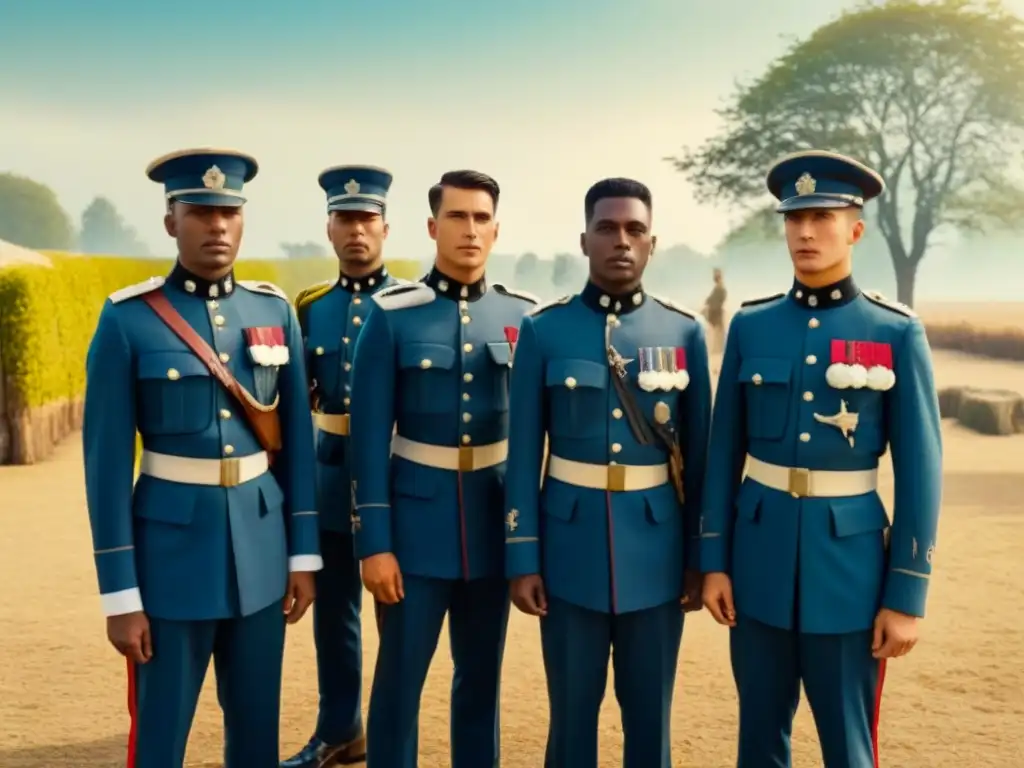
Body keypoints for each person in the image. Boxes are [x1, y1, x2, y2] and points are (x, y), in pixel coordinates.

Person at [699, 150, 942, 768]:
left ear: (855, 229)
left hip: (850, 574)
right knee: (758, 740)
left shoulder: (894, 332)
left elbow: (919, 472)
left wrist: (907, 594)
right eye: (794, 219)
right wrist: (714, 561)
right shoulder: (753, 327)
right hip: (757, 565)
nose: (805, 232)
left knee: (848, 747)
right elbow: (723, 451)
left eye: (822, 218)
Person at [82, 148, 321, 768]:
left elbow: (295, 446)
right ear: (171, 222)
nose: (217, 226)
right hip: (168, 566)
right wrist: (120, 597)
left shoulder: (272, 312)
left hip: (263, 558)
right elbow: (106, 469)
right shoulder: (127, 321)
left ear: (242, 220)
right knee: (161, 736)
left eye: (229, 212)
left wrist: (303, 556)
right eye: (200, 211)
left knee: (256, 734)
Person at [504, 177, 712, 768]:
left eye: (634, 229)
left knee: (650, 718)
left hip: (658, 553)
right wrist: (523, 557)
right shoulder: (545, 331)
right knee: (571, 718)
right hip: (569, 552)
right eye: (607, 228)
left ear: (652, 243)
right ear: (584, 240)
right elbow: (523, 454)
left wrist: (700, 557)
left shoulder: (683, 333)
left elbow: (698, 460)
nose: (621, 240)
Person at [348, 170, 537, 768]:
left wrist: (525, 539)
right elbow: (367, 438)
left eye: (482, 218)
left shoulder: (522, 316)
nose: (470, 230)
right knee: (399, 683)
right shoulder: (392, 315)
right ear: (433, 227)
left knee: (481, 681)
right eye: (457, 217)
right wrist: (373, 543)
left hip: (489, 526)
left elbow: (534, 439)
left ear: (497, 228)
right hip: (414, 531)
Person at [282, 165, 401, 768]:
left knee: (398, 616)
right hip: (330, 476)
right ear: (329, 228)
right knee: (334, 617)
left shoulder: (409, 303)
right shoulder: (310, 308)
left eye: (367, 219)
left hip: (395, 477)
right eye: (345, 219)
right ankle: (339, 729)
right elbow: (296, 405)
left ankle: (390, 731)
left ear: (386, 227)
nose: (357, 231)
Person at [702, 267, 728, 359]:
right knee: (718, 331)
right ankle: (718, 350)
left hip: (717, 311)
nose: (715, 277)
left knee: (719, 331)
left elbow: (720, 297)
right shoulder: (719, 287)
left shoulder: (720, 287)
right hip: (716, 310)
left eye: (716, 275)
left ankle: (719, 351)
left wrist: (710, 302)